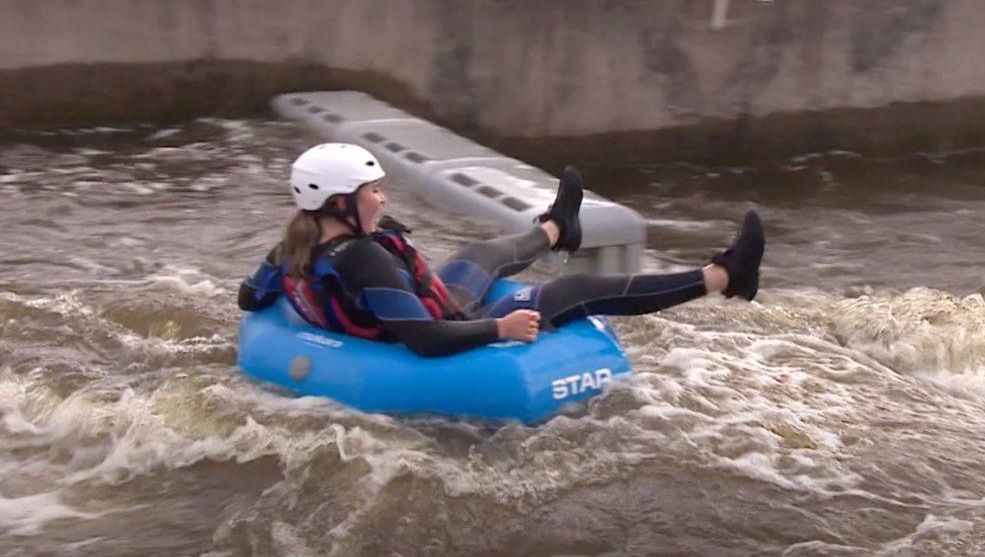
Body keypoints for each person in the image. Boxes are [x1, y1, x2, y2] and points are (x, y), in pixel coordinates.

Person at [239, 143, 764, 357]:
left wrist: (298, 323)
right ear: (338, 201)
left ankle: (558, 228)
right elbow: (423, 338)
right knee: (575, 290)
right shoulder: (362, 258)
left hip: (423, 310)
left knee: (478, 252)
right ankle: (725, 277)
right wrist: (500, 327)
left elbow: (249, 298)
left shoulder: (292, 245)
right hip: (446, 331)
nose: (383, 197)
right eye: (372, 191)